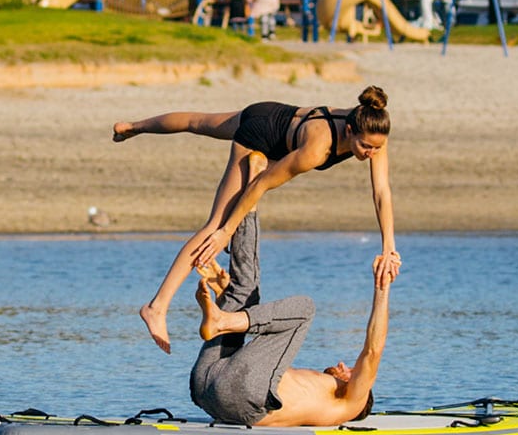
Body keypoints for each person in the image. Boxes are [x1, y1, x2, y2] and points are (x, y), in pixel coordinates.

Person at [112, 85, 401, 354]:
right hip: (261, 133)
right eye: (365, 147)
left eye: (376, 148)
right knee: (214, 225)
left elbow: (381, 192)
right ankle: (156, 306)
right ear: (350, 130)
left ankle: (131, 127)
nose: (371, 154)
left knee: (198, 123)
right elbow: (261, 184)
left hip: (271, 112)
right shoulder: (316, 149)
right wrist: (227, 231)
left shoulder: (372, 129)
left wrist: (389, 246)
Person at [190, 210, 389, 427]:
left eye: (351, 371)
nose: (343, 364)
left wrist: (382, 287)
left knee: (305, 309)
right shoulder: (314, 389)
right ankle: (248, 209)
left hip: (236, 395)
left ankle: (224, 320)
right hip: (207, 387)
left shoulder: (350, 405)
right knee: (244, 290)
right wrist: (225, 296)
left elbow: (372, 352)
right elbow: (241, 366)